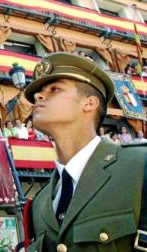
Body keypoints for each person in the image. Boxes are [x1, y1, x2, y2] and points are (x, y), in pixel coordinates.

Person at [24, 52, 147, 252]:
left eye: (55, 89)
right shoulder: (39, 203)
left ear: (89, 103)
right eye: (40, 92)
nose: (38, 96)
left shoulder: (141, 165)